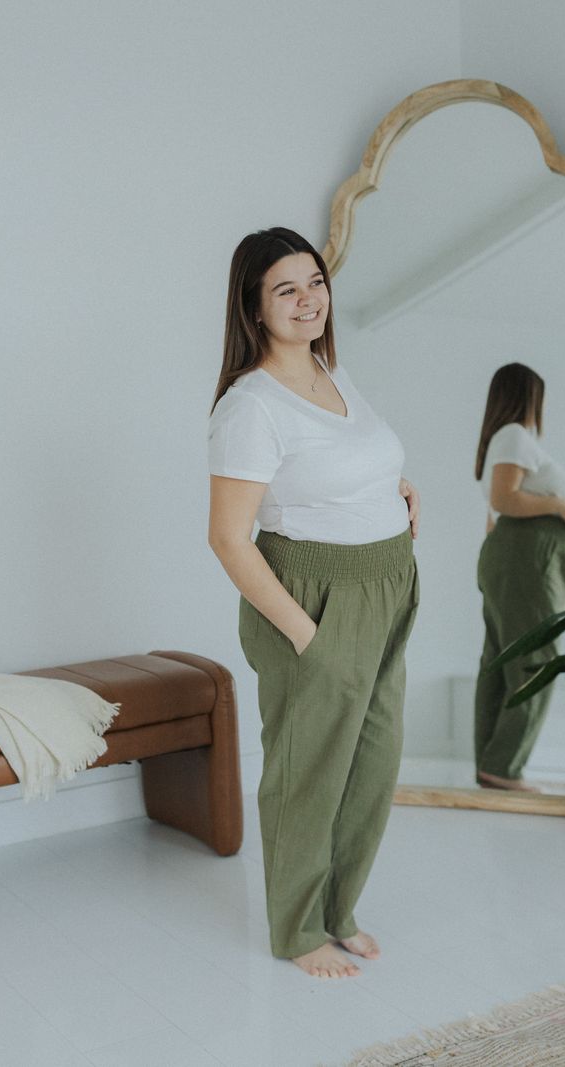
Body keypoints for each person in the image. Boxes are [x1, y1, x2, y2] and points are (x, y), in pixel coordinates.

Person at [206, 227, 420, 979]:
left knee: (372, 759)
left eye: (316, 281)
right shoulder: (250, 406)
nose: (308, 300)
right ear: (255, 307)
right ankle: (296, 929)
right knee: (308, 769)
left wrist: (394, 492)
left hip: (386, 584)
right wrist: (306, 634)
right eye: (286, 289)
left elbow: (353, 459)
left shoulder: (334, 372)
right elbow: (230, 538)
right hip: (315, 598)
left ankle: (338, 910)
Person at [472, 363, 565, 791]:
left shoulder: (502, 439)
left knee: (500, 662)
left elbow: (494, 508)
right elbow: (504, 497)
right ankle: (503, 766)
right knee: (536, 660)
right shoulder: (515, 435)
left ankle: (492, 764)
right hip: (525, 562)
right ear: (529, 396)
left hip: (515, 559)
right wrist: (560, 506)